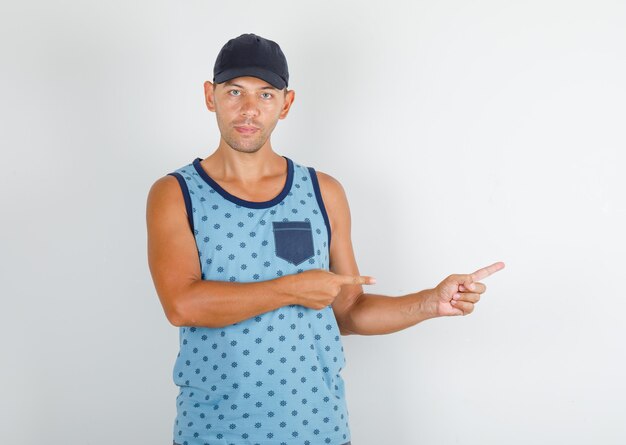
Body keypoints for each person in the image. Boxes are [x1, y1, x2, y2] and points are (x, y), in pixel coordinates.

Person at [146, 32, 505, 445]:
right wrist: (292, 289)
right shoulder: (176, 193)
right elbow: (182, 304)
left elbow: (348, 312)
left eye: (265, 95)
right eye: (234, 92)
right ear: (210, 97)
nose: (248, 109)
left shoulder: (322, 191)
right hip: (213, 431)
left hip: (317, 428)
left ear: (287, 103)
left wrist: (429, 303)